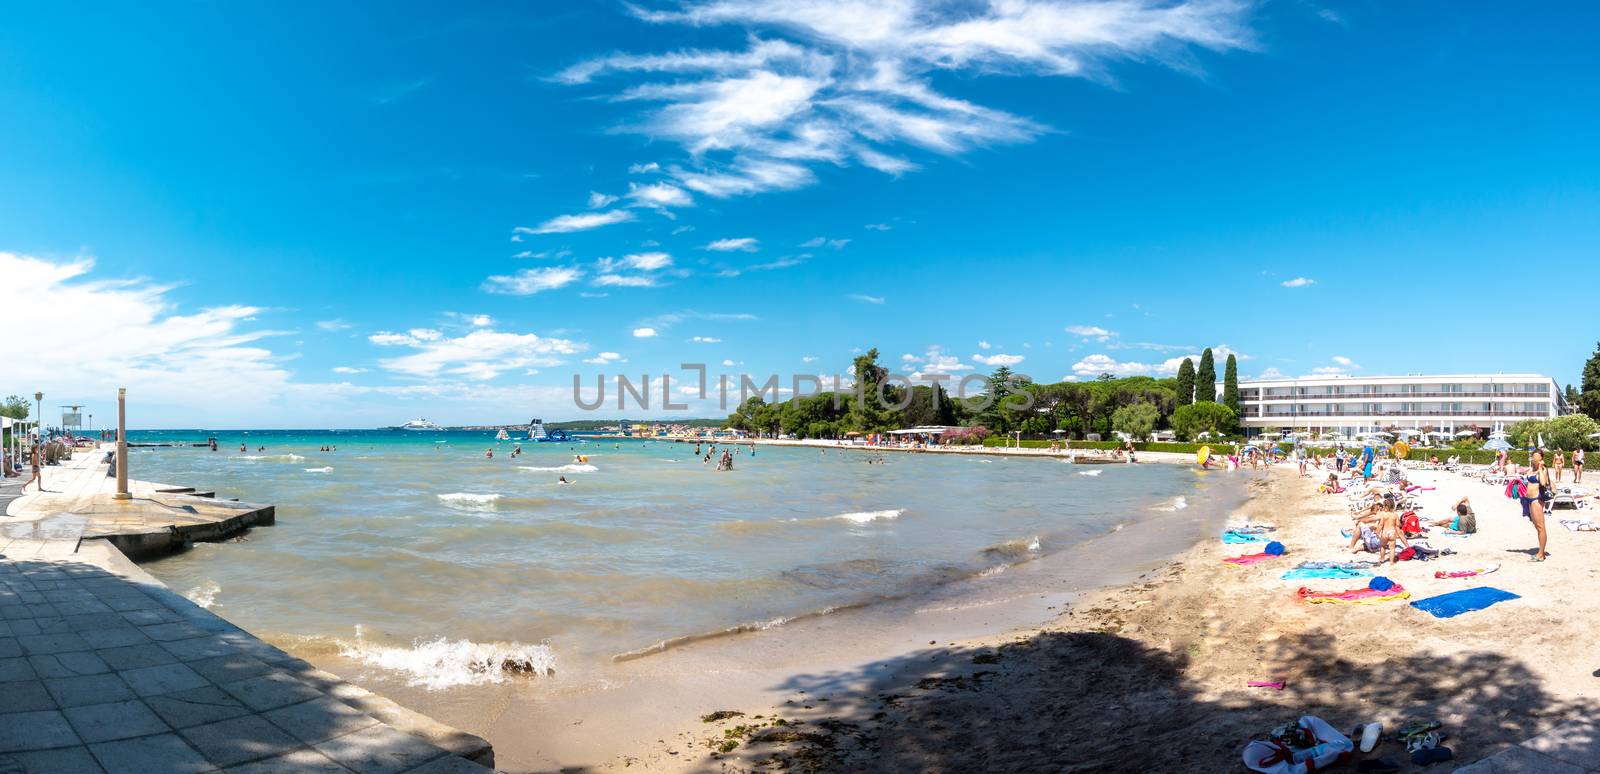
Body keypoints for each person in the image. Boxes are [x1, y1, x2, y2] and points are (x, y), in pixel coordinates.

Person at [1521, 452, 1552, 562]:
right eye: (1533, 457)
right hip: (1529, 500)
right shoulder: (1531, 469)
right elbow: (1526, 477)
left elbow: (1543, 482)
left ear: (1541, 458)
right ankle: (1540, 551)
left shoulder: (1542, 470)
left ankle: (1541, 554)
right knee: (1536, 526)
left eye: (1537, 457)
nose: (1534, 459)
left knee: (1540, 527)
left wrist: (1540, 467)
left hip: (1536, 500)